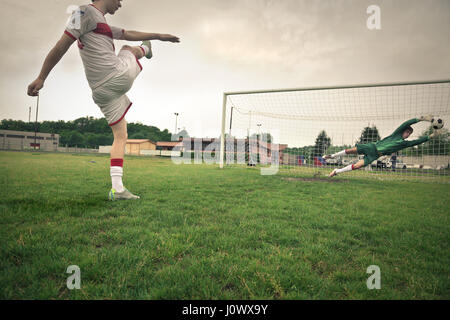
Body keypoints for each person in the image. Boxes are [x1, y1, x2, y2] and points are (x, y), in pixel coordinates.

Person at [27, 0, 180, 200]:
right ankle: (145, 51)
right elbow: (61, 46)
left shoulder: (101, 24)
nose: (120, 4)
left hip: (100, 91)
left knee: (120, 135)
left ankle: (117, 189)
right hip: (115, 76)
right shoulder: (83, 13)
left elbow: (128, 32)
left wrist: (159, 36)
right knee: (127, 48)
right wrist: (41, 77)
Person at [325, 115, 440, 177]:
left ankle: (336, 171)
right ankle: (332, 155)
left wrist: (431, 136)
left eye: (410, 134)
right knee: (350, 151)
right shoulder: (396, 134)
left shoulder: (404, 143)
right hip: (371, 147)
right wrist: (421, 119)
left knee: (357, 166)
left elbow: (417, 142)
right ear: (403, 131)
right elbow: (406, 124)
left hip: (375, 155)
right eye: (407, 132)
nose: (408, 134)